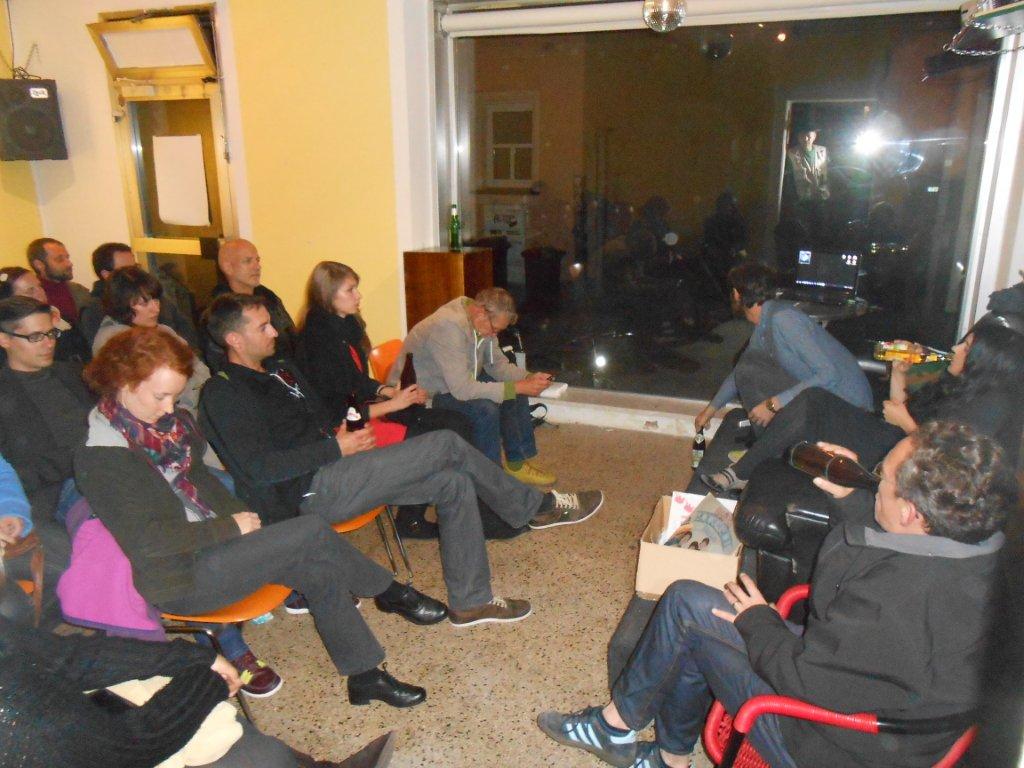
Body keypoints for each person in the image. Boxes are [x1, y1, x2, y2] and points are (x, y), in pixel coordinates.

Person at [539, 421, 1013, 768]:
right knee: (699, 614)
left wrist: (758, 621)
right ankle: (660, 752)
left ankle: (616, 729)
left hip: (829, 739)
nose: (873, 481)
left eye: (881, 478)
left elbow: (804, 675)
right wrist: (851, 498)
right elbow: (878, 591)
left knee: (687, 606)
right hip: (876, 699)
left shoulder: (898, 600)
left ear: (910, 512)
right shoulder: (983, 556)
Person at [75, 326, 447, 708]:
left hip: (219, 549)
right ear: (123, 383)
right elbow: (149, 542)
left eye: (175, 395)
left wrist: (241, 520)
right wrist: (231, 526)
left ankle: (366, 676)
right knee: (310, 530)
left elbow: (202, 480)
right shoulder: (101, 456)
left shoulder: (168, 426)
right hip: (181, 576)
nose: (170, 408)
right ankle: (390, 591)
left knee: (317, 567)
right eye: (160, 396)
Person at [200, 293, 604, 626]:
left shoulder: (280, 370)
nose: (275, 331)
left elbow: (327, 416)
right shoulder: (224, 394)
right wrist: (335, 448)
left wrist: (372, 414)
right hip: (309, 490)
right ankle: (536, 507)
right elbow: (259, 469)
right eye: (262, 327)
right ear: (234, 339)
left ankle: (471, 602)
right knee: (446, 443)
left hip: (341, 467)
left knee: (453, 483)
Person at [0, 571, 391, 768]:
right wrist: (206, 682)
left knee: (225, 729)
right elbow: (130, 745)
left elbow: (69, 657)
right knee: (228, 739)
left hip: (69, 719)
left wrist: (192, 657)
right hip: (100, 750)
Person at [297, 261, 525, 540]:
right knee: (447, 431)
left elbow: (355, 382)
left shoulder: (344, 328)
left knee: (457, 423)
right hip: (343, 429)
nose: (359, 295)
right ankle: (460, 514)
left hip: (364, 411)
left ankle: (437, 514)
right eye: (350, 290)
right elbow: (337, 407)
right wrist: (393, 403)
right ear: (328, 295)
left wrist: (388, 391)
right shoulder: (318, 340)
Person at [711, 310, 1024, 487]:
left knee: (811, 405)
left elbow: (953, 464)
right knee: (814, 399)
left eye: (966, 348)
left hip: (900, 459)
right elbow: (900, 410)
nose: (956, 349)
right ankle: (756, 463)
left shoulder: (990, 406)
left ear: (985, 360)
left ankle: (742, 472)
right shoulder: (962, 386)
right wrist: (898, 374)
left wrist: (909, 425)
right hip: (895, 438)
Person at [696, 262, 872, 492]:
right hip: (825, 397)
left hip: (849, 411)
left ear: (738, 294)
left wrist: (773, 404)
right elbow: (740, 371)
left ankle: (745, 470)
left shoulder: (784, 319)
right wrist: (711, 409)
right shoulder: (766, 321)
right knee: (749, 368)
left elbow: (829, 374)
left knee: (754, 375)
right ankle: (768, 451)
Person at [392, 288, 558, 485]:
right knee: (485, 410)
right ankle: (491, 480)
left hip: (454, 383)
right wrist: (518, 387)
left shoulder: (481, 321)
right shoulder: (448, 325)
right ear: (481, 312)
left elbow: (497, 365)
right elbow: (462, 389)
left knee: (514, 390)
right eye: (495, 329)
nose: (494, 334)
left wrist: (528, 377)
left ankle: (517, 464)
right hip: (423, 395)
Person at [92, 265, 211, 417]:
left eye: (156, 300)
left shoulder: (164, 330)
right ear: (122, 304)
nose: (156, 309)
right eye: (144, 303)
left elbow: (199, 368)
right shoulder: (114, 341)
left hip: (192, 407)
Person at [80, 242, 198, 348]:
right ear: (106, 275)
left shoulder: (152, 296)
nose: (155, 309)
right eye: (126, 269)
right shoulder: (95, 310)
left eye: (135, 267)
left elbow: (186, 331)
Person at [211, 239, 296, 361]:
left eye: (257, 260)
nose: (257, 267)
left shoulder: (268, 297)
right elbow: (218, 359)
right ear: (227, 267)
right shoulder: (219, 311)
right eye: (247, 261)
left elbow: (291, 337)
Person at [0, 265, 90, 362]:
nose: (41, 293)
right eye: (30, 291)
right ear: (10, 301)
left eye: (40, 286)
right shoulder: (11, 338)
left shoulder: (63, 320)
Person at [25, 237, 96, 325]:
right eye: (60, 260)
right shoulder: (31, 299)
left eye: (67, 258)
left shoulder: (79, 291)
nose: (69, 264)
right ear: (39, 265)